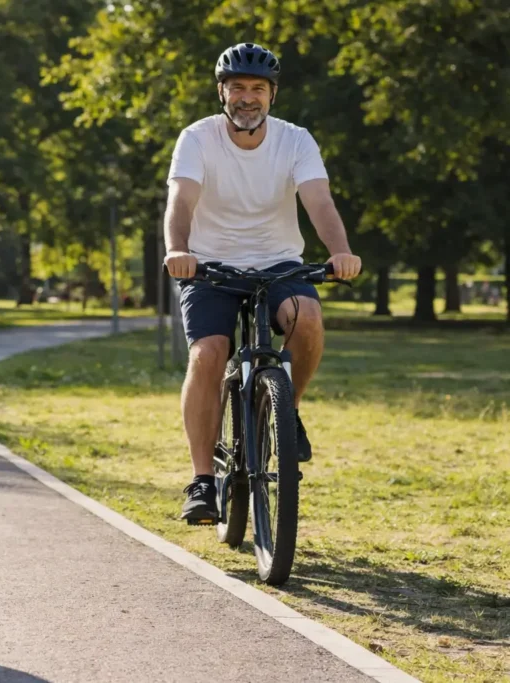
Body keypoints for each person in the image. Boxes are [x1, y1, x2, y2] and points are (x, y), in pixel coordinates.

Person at [163, 43, 362, 524]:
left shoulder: (295, 141)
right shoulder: (197, 138)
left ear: (272, 96)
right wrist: (177, 249)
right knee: (208, 353)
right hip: (209, 266)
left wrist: (340, 251)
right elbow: (181, 202)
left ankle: (283, 412)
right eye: (237, 88)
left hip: (279, 264)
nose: (247, 97)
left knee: (308, 319)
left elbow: (319, 203)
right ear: (222, 93)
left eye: (257, 89)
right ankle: (202, 481)